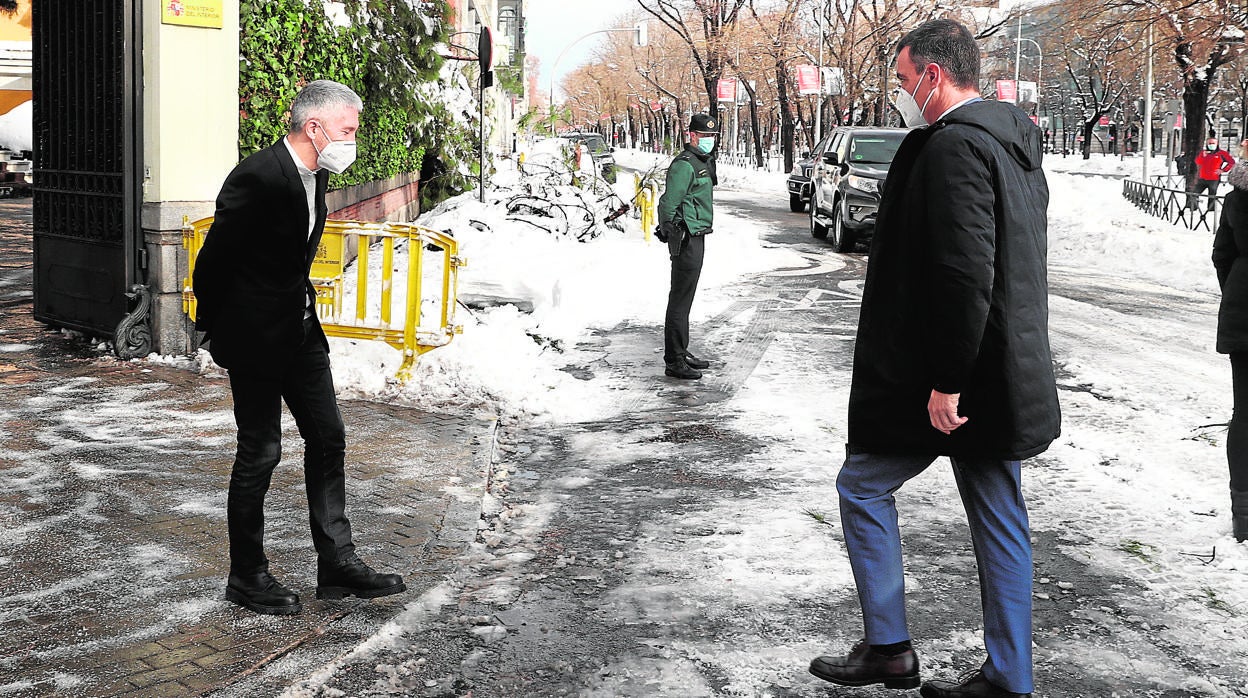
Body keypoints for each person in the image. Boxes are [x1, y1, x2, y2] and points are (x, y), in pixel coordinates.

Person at [807, 19, 1059, 698]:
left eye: (902, 80)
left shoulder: (954, 149)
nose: (901, 94)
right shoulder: (1012, 143)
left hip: (954, 379)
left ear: (933, 75)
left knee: (862, 485)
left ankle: (889, 647)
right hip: (1001, 368)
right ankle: (1009, 676)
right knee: (1001, 517)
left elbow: (963, 273)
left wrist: (948, 380)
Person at [193, 80, 406, 616]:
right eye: (348, 130)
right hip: (255, 338)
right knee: (261, 452)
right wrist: (216, 330)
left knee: (328, 435)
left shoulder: (316, 176)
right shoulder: (259, 176)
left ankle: (336, 563)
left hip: (300, 331)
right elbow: (213, 263)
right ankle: (246, 576)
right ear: (315, 128)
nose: (352, 140)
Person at [655, 113, 718, 380]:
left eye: (711, 137)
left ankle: (681, 350)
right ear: (691, 136)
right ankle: (674, 360)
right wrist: (667, 224)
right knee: (680, 300)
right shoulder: (684, 165)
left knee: (686, 298)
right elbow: (669, 200)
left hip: (697, 233)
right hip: (686, 236)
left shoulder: (701, 161)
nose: (708, 141)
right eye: (703, 136)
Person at [1212, 138, 1248, 543]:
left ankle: (1244, 516)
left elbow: (1222, 255)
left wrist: (1238, 292)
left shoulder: (1238, 196)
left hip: (1244, 316)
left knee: (1246, 414)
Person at [1193, 136, 1235, 210]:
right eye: (1209, 143)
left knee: (1212, 194)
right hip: (1202, 177)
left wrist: (1223, 170)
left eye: (1213, 143)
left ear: (1217, 144)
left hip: (1214, 178)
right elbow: (1197, 162)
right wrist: (1203, 156)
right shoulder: (1204, 153)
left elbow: (1231, 162)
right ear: (1206, 144)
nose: (1211, 144)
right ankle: (1194, 208)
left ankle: (1211, 210)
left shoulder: (1222, 153)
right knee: (1194, 193)